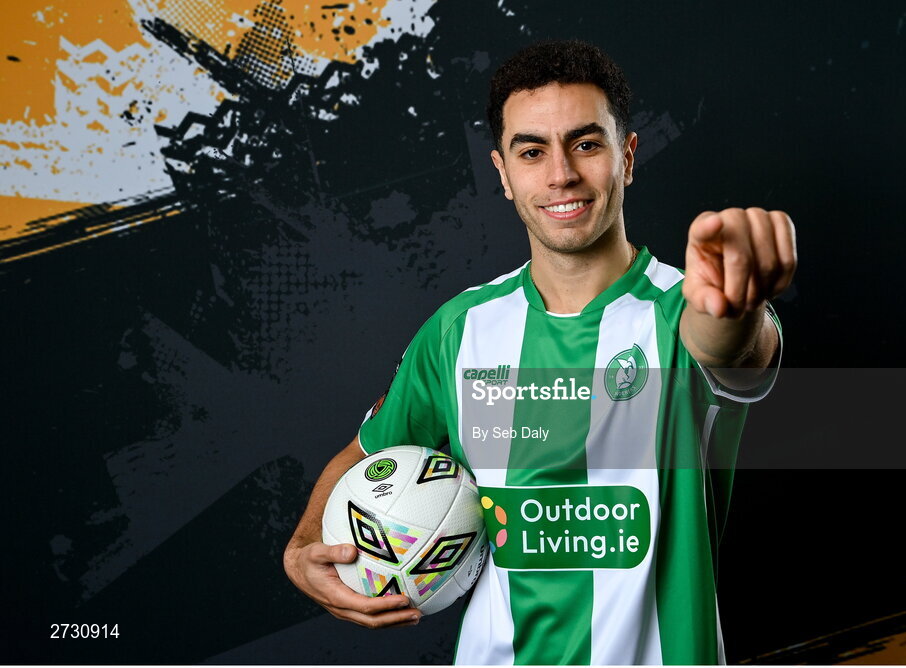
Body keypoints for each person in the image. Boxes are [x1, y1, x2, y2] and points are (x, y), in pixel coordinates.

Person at [284, 40, 796, 664]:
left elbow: (730, 343)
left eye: (586, 144)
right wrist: (303, 547)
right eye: (532, 151)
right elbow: (367, 456)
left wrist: (736, 301)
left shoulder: (682, 310)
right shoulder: (460, 329)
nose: (561, 174)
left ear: (626, 157)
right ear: (502, 173)